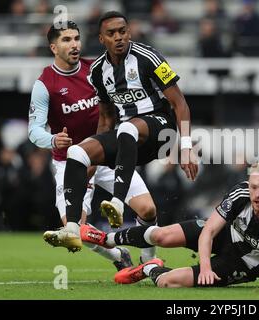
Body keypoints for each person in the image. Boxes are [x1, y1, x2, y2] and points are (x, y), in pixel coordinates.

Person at [48, 11, 197, 252]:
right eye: (112, 33)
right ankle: (73, 228)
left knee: (127, 127)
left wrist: (187, 147)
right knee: (77, 152)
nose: (119, 37)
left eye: (122, 31)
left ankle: (117, 202)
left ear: (129, 32)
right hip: (127, 137)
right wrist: (93, 162)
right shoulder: (97, 71)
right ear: (101, 39)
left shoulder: (149, 57)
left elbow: (180, 103)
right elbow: (106, 119)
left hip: (160, 131)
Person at [28, 21, 158, 266]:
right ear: (53, 47)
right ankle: (118, 255)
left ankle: (149, 261)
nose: (74, 44)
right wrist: (53, 139)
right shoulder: (45, 84)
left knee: (148, 210)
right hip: (70, 163)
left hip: (107, 154)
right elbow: (34, 131)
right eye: (66, 40)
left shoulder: (96, 70)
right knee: (74, 229)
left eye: (76, 38)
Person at [81, 162, 259, 290]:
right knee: (163, 235)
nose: (256, 195)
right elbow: (209, 230)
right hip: (226, 235)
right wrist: (205, 267)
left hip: (243, 263)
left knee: (168, 282)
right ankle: (106, 239)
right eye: (254, 187)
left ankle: (149, 269)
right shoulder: (241, 192)